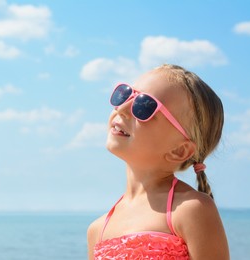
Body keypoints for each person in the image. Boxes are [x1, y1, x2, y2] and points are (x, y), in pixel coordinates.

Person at [87, 64, 229, 259]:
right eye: (125, 94)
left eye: (144, 106)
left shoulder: (191, 210)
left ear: (179, 150)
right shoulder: (98, 230)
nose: (123, 108)